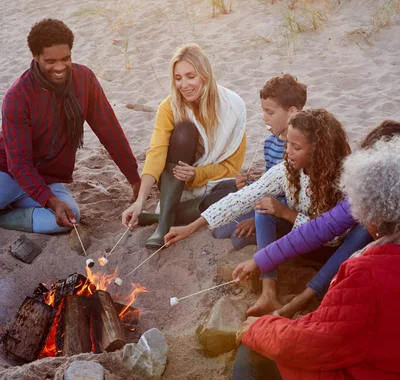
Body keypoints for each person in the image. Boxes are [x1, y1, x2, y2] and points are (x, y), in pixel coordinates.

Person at [233, 136, 400, 380]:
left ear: (371, 211)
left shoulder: (368, 273)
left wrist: (259, 329)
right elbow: (317, 230)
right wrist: (261, 260)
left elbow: (319, 343)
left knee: (251, 350)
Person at [165, 109, 351, 315]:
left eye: (296, 146)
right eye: (287, 143)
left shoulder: (339, 181)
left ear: (318, 150)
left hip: (325, 250)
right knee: (263, 206)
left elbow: (334, 237)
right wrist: (191, 227)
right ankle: (268, 291)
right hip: (294, 240)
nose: (287, 151)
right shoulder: (286, 171)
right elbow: (242, 198)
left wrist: (286, 214)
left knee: (273, 209)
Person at [0, 19, 141, 234]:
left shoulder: (84, 79)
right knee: (55, 208)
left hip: (46, 179)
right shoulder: (18, 96)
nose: (60, 67)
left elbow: (109, 130)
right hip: (8, 174)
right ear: (35, 57)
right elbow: (18, 164)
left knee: (68, 218)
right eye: (51, 61)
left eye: (65, 59)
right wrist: (52, 201)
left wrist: (134, 178)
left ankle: (6, 217)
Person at [121, 43, 246, 248]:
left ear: (204, 75)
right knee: (184, 131)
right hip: (175, 182)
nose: (184, 84)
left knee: (233, 197)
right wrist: (140, 200)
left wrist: (197, 174)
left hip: (212, 182)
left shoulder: (232, 107)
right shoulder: (169, 107)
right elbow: (157, 153)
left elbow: (232, 168)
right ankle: (163, 225)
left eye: (190, 76)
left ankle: (161, 218)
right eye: (178, 78)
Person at [213, 74, 307, 250]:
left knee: (238, 239)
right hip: (267, 204)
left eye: (270, 112)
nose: (264, 117)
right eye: (263, 111)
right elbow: (268, 184)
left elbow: (291, 196)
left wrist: (256, 220)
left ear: (292, 112)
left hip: (284, 213)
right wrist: (248, 185)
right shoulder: (270, 143)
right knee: (219, 230)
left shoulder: (299, 150)